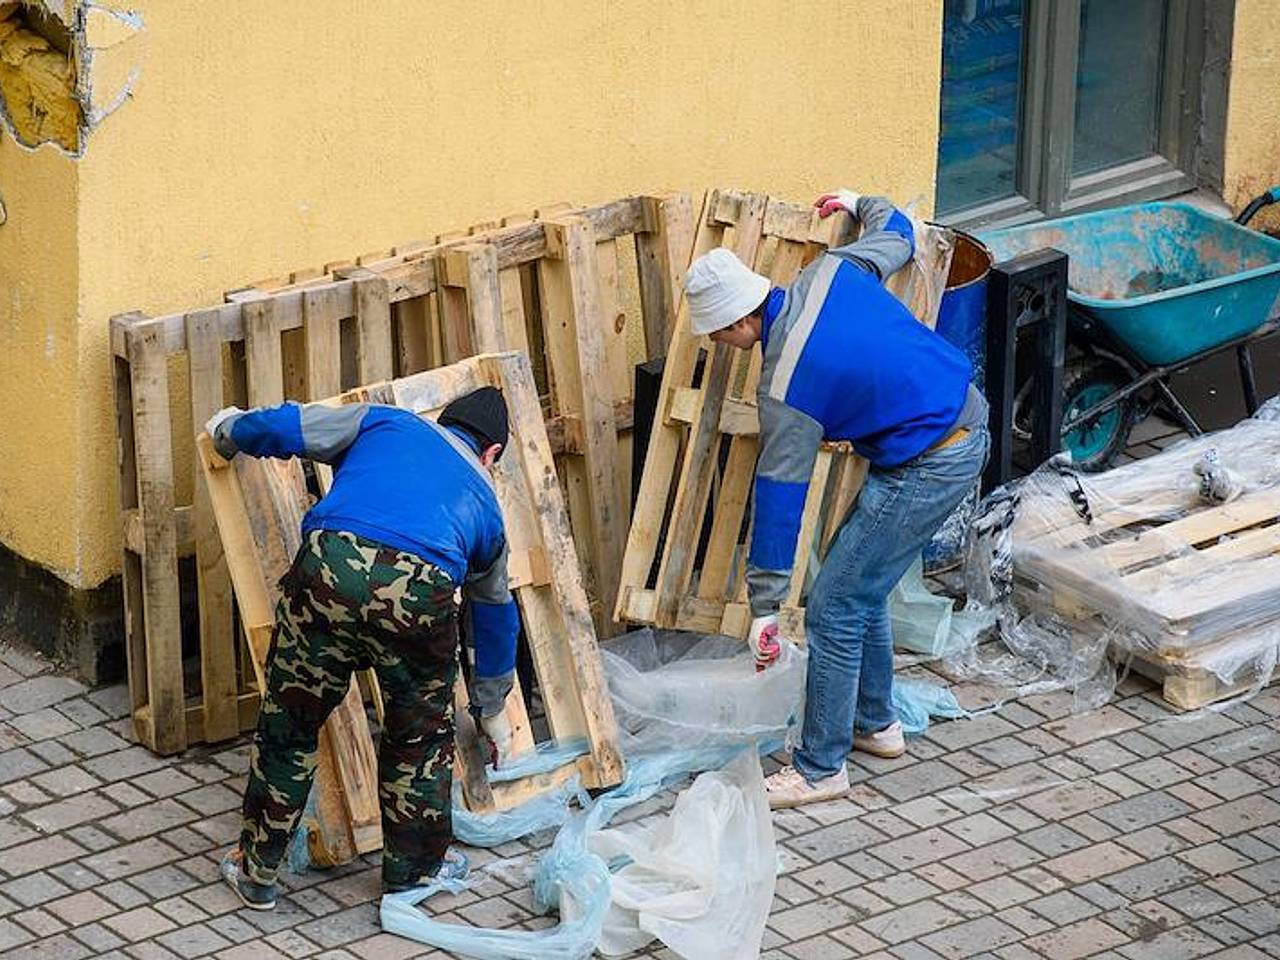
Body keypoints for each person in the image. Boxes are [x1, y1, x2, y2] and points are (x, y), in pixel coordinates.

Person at [683, 189, 989, 809]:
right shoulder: (830, 271)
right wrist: (858, 201)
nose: (718, 344)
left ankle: (821, 767)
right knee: (859, 579)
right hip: (956, 424)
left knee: (834, 605)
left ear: (740, 322)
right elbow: (898, 231)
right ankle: (877, 724)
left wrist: (765, 608)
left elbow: (779, 497)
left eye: (717, 334)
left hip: (931, 461)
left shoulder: (786, 384)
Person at [205, 387, 519, 908]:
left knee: (291, 723)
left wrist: (230, 433)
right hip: (420, 593)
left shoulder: (390, 424)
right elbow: (494, 616)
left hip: (330, 567)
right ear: (492, 455)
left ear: (443, 422)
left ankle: (258, 871)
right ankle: (412, 876)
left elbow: (293, 428)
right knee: (418, 741)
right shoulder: (487, 508)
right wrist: (490, 706)